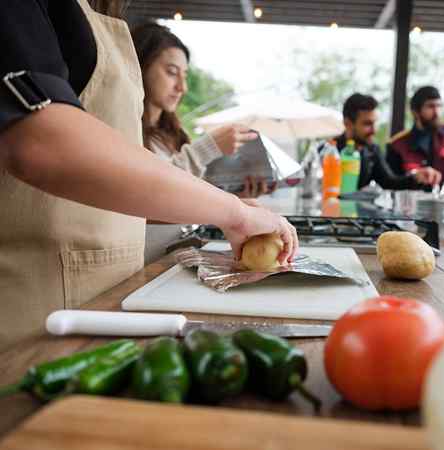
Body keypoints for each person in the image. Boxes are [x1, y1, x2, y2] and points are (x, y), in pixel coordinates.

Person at [0, 0, 297, 350]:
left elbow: (119, 185)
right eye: (171, 71)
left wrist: (228, 208)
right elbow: (42, 141)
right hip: (33, 321)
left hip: (115, 304)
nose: (181, 86)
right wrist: (234, 212)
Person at [131, 23, 269, 198]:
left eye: (184, 75)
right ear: (140, 67)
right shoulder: (123, 129)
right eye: (172, 72)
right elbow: (148, 192)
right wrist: (209, 147)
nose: (183, 87)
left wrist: (235, 194)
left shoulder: (174, 136)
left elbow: (185, 198)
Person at [329, 93, 441, 191]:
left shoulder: (372, 150)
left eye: (374, 123)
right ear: (347, 123)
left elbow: (389, 182)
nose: (374, 130)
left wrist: (416, 177)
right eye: (367, 124)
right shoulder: (329, 151)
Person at [386, 86, 444, 202]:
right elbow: (391, 185)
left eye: (439, 106)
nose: (437, 112)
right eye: (430, 106)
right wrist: (414, 177)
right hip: (409, 209)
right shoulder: (397, 145)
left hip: (442, 206)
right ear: (415, 111)